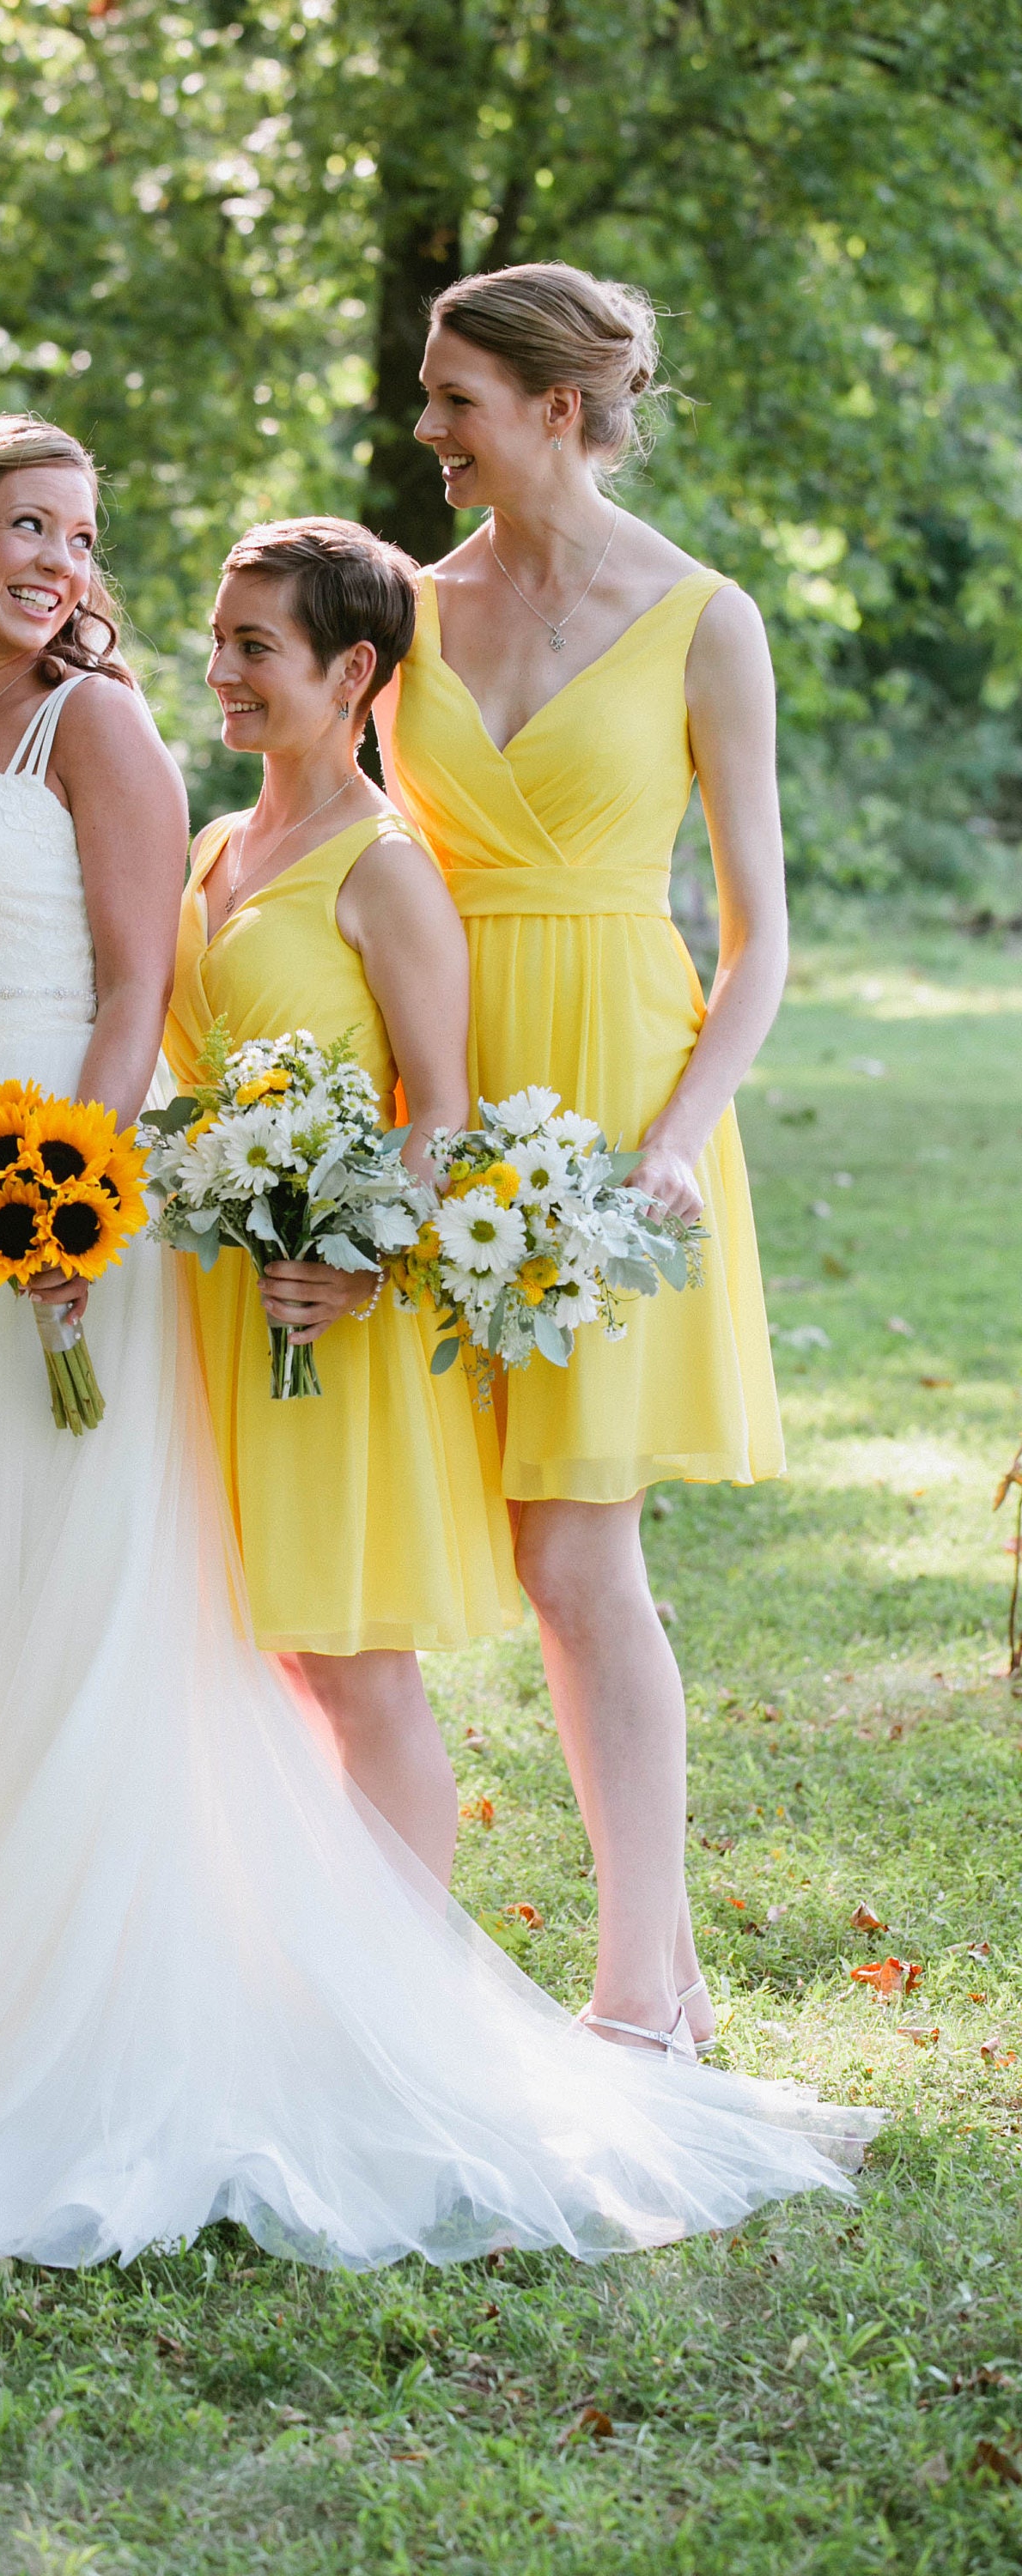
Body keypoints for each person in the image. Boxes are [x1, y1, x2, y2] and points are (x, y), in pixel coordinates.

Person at [0, 414, 873, 2268]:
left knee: (84, 1591)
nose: (60, 558)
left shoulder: (94, 724)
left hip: (66, 1195)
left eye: (84, 529)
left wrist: (72, 1182)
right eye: (28, 523)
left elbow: (139, 990)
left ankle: (136, 2016)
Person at [375, 260, 788, 2062]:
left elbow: (763, 933)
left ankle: (647, 1986)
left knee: (575, 1558)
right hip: (440, 1089)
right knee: (372, 1538)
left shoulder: (704, 619)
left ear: (556, 407)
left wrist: (675, 1144)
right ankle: (373, 1974)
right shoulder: (396, 612)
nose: (427, 430)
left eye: (454, 398)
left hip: (617, 1112)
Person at [167, 517, 517, 1883]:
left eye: (257, 646)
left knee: (356, 1671)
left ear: (353, 668)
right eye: (217, 638)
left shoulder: (385, 867)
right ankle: (320, 1975)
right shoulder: (210, 848)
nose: (221, 670)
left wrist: (363, 1263)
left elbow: (442, 1108)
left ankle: (407, 2011)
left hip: (329, 1323)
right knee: (274, 1658)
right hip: (214, 1314)